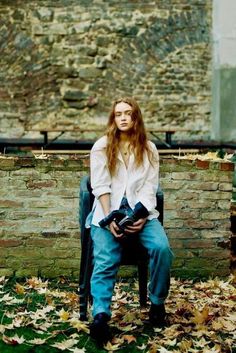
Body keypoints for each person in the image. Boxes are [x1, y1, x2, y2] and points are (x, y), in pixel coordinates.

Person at [87, 97, 173, 345]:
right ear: (113, 119)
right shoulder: (102, 147)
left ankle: (157, 303)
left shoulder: (149, 149)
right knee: (105, 258)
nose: (123, 118)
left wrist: (141, 216)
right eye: (118, 114)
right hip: (108, 211)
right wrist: (107, 218)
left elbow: (150, 188)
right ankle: (101, 316)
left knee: (161, 249)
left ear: (136, 117)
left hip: (141, 212)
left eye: (128, 113)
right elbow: (100, 185)